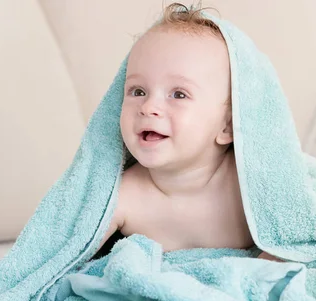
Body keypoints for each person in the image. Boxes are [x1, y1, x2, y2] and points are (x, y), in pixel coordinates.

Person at [98, 3, 282, 262]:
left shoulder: (253, 186)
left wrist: (271, 260)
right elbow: (62, 254)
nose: (149, 107)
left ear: (227, 126)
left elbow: (302, 234)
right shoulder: (121, 196)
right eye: (138, 91)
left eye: (179, 94)